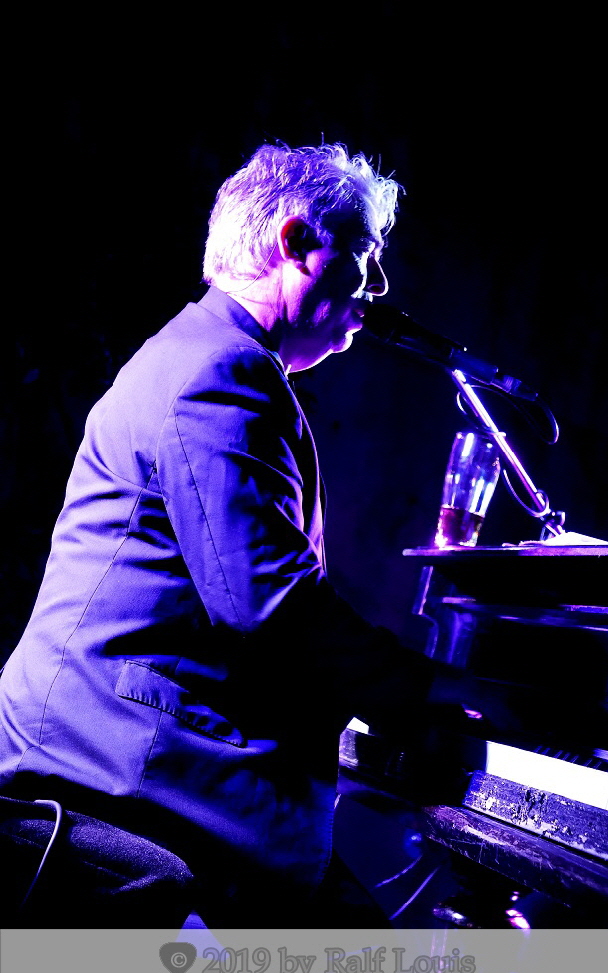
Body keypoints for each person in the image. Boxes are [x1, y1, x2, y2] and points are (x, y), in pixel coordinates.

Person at [0, 142, 497, 928]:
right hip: (119, 771)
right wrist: (429, 691)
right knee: (388, 970)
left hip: (146, 750)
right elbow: (270, 603)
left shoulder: (207, 356)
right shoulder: (221, 370)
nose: (378, 286)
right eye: (366, 253)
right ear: (296, 242)